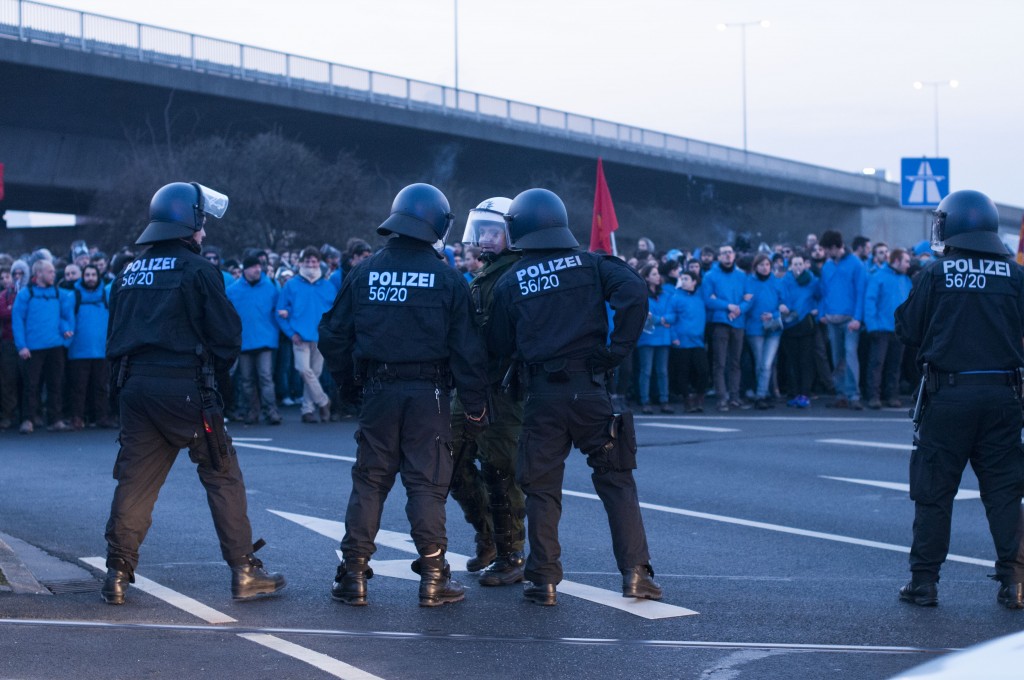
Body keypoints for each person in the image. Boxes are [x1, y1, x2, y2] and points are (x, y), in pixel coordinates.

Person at [101, 181, 285, 606]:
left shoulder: (128, 272)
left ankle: (116, 573)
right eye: (201, 223)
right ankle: (244, 571)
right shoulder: (200, 271)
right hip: (186, 391)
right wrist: (212, 382)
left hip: (135, 389)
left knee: (135, 484)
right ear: (189, 223)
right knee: (221, 473)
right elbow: (227, 337)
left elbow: (112, 340)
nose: (204, 232)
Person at [488, 188, 661, 607]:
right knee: (617, 481)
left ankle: (542, 580)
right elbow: (636, 293)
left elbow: (497, 346)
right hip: (590, 391)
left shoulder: (510, 282)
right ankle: (636, 575)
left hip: (542, 397)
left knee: (542, 489)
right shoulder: (593, 264)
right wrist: (616, 351)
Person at [319, 183, 489, 608]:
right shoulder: (448, 278)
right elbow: (468, 350)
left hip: (378, 390)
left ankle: (353, 575)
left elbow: (332, 334)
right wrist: (475, 404)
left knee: (370, 482)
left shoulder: (365, 271)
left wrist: (349, 387)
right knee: (427, 487)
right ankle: (434, 578)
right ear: (435, 224)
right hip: (428, 395)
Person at [895, 189, 1024, 610]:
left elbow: (909, 329)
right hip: (1004, 396)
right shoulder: (1016, 275)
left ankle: (924, 583)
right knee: (1005, 492)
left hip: (948, 396)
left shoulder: (936, 273)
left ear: (952, 225)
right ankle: (1015, 582)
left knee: (934, 493)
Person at [448, 197, 529, 586]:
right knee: (449, 462)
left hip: (501, 387)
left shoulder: (515, 274)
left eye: (493, 231)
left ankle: (511, 552)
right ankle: (488, 538)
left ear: (512, 235)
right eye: (482, 231)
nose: (484, 238)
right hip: (470, 385)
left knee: (500, 468)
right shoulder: (487, 273)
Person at [12, 259, 75, 434]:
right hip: (32, 348)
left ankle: (55, 419)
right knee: (31, 385)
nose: (53, 274)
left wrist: (66, 331)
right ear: (38, 274)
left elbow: (63, 317)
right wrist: (21, 346)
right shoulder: (26, 294)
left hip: (55, 345)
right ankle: (28, 419)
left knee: (56, 384)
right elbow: (17, 321)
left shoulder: (57, 293)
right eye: (50, 272)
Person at [276, 246, 336, 423]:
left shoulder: (328, 286)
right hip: (299, 336)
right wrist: (290, 332)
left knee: (314, 374)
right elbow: (279, 312)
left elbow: (334, 312)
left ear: (319, 263)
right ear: (302, 263)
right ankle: (324, 401)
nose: (311, 264)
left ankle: (307, 410)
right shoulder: (291, 285)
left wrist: (329, 332)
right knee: (304, 371)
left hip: (320, 337)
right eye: (308, 261)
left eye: (315, 261)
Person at [227, 255, 282, 425]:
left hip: (265, 340)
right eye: (253, 266)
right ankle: (253, 411)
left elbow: (279, 310)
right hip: (243, 341)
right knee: (247, 379)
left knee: (265, 377)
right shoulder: (233, 290)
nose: (258, 269)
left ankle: (271, 411)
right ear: (245, 269)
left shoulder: (271, 287)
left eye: (259, 266)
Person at [818, 230, 867, 409]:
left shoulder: (856, 264)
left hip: (849, 320)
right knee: (837, 357)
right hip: (831, 318)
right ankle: (841, 394)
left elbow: (861, 292)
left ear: (834, 247)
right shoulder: (827, 266)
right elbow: (823, 292)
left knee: (850, 354)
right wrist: (822, 313)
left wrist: (858, 318)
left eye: (826, 249)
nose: (825, 253)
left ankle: (854, 395)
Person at [703, 244, 752, 411]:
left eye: (730, 253)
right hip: (720, 323)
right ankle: (721, 398)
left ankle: (734, 396)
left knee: (735, 362)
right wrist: (728, 306)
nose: (728, 256)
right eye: (724, 253)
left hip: (738, 322)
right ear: (719, 257)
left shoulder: (742, 276)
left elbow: (749, 298)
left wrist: (739, 309)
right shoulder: (710, 276)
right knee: (719, 362)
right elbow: (708, 300)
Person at [67, 264, 114, 430]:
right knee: (78, 388)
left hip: (101, 350)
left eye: (93, 274)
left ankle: (102, 417)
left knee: (101, 387)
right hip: (79, 351)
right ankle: (77, 418)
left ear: (98, 276)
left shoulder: (106, 295)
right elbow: (66, 319)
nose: (91, 278)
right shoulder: (74, 296)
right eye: (87, 275)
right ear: (83, 277)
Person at [863, 248, 912, 409]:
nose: (908, 265)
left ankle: (891, 395)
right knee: (877, 363)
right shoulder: (878, 278)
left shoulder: (905, 280)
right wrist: (872, 326)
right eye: (906, 261)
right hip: (881, 328)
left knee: (894, 365)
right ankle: (873, 396)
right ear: (896, 261)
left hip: (898, 330)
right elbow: (870, 302)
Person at [745, 253, 787, 410]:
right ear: (756, 267)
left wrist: (774, 314)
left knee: (767, 363)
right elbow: (745, 303)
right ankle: (761, 393)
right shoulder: (749, 282)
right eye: (761, 265)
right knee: (760, 362)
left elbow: (784, 303)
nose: (765, 267)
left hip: (773, 327)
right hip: (755, 327)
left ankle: (761, 394)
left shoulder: (777, 282)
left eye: (767, 265)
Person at [779, 253, 820, 408]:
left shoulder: (812, 281)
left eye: (800, 264)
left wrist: (816, 309)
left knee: (806, 361)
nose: (797, 267)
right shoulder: (784, 281)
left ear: (805, 265)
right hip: (789, 324)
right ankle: (794, 393)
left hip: (806, 324)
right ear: (790, 266)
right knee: (792, 361)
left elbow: (820, 296)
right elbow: (780, 298)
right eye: (794, 264)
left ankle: (805, 393)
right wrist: (782, 306)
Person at [636, 262, 675, 414]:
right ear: (646, 277)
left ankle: (664, 400)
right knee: (646, 370)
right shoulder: (642, 295)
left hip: (664, 337)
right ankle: (645, 400)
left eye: (658, 274)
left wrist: (658, 319)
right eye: (653, 274)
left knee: (662, 371)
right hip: (648, 337)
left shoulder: (666, 294)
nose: (658, 277)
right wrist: (661, 320)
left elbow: (672, 315)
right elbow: (645, 317)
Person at [669, 270, 709, 413]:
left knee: (703, 371)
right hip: (682, 341)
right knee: (683, 372)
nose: (683, 281)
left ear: (694, 282)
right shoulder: (675, 297)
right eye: (682, 278)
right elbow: (670, 318)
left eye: (686, 278)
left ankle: (699, 398)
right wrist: (674, 337)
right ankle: (687, 400)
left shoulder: (700, 298)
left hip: (697, 341)